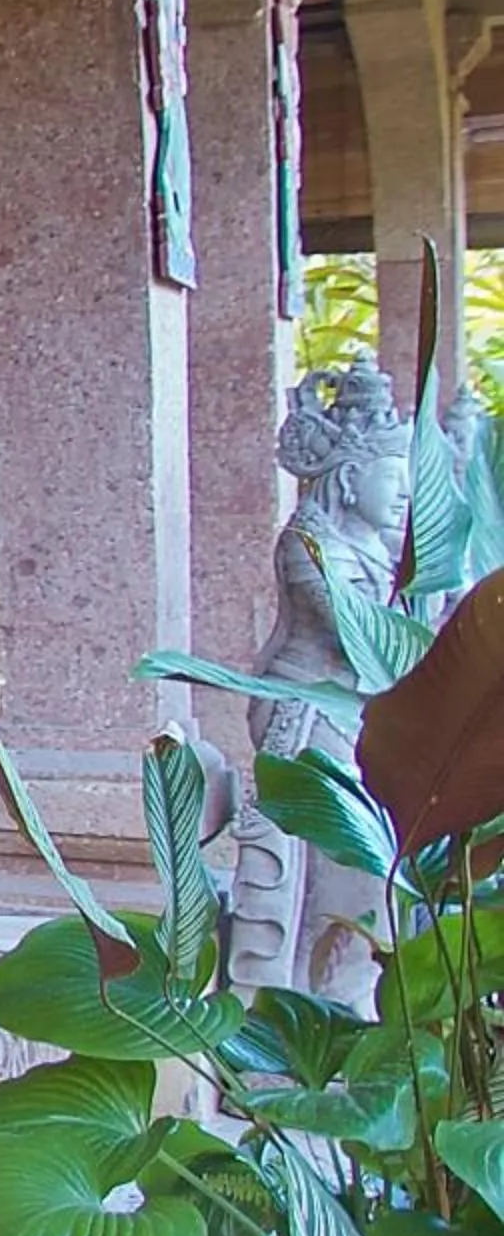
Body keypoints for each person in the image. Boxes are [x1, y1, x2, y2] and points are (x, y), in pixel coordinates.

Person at [226, 360, 410, 1006]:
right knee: (340, 870)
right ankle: (302, 1003)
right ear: (353, 475)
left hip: (357, 722)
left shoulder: (376, 548)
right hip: (309, 723)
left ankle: (342, 993)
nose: (404, 495)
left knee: (366, 877)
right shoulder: (308, 544)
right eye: (394, 478)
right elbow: (356, 633)